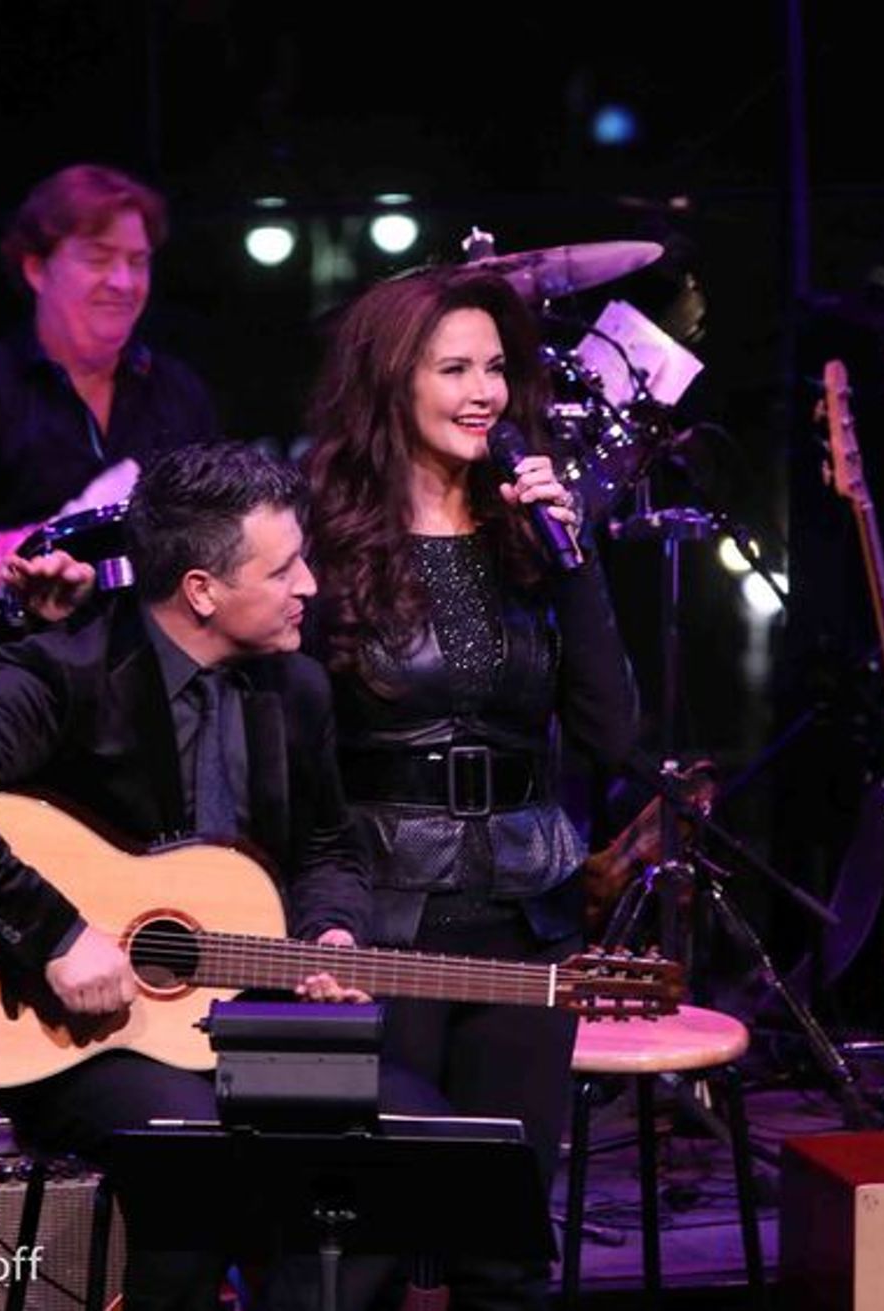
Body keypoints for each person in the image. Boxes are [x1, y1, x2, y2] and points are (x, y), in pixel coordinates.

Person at [0, 442, 371, 1311]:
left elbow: (329, 846)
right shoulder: (66, 671)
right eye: (284, 567)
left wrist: (330, 929)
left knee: (399, 1145)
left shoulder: (298, 690)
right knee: (192, 1157)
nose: (311, 586)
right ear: (202, 590)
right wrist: (58, 933)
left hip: (240, 1017)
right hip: (77, 1030)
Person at [305, 267, 640, 1311]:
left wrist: (572, 558)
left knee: (504, 1250)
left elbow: (613, 735)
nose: (483, 391)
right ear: (391, 380)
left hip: (523, 922)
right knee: (362, 1248)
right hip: (385, 926)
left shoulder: (530, 539)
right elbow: (293, 755)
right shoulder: (324, 541)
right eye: (453, 368)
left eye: (495, 368)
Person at [0, 162, 218, 607]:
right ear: (37, 269)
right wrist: (57, 549)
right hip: (21, 645)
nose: (124, 283)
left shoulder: (180, 391)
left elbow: (216, 529)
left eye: (138, 262)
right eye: (98, 259)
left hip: (157, 645)